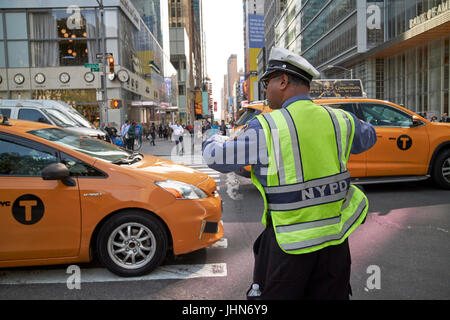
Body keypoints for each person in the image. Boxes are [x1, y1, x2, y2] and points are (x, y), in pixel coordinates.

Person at [202, 47, 377, 300]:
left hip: (289, 247)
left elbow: (216, 157)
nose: (264, 89)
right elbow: (368, 135)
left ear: (283, 81)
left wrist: (211, 135)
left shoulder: (268, 127)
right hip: (335, 246)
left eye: (267, 82)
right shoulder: (340, 119)